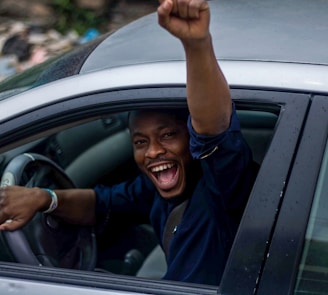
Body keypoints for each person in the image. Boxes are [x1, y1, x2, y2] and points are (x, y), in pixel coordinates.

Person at [0, 0, 256, 286]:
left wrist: (197, 45)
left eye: (168, 135)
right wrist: (44, 199)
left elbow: (214, 129)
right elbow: (101, 205)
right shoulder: (157, 190)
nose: (154, 151)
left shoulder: (222, 188)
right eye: (140, 141)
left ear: (191, 135)